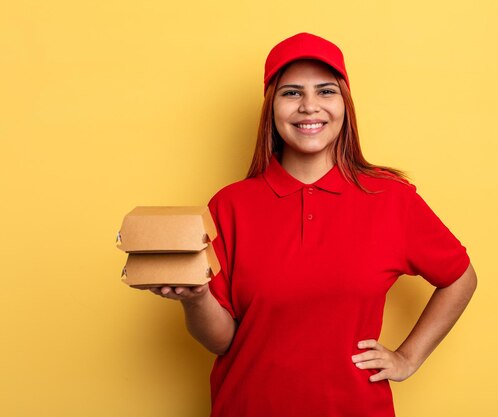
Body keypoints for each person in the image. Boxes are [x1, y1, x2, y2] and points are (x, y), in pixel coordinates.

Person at [150, 32, 477, 417]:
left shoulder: (391, 199)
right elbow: (222, 342)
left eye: (325, 91)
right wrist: (196, 298)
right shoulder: (229, 205)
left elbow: (460, 277)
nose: (309, 107)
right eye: (291, 93)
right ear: (271, 108)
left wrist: (407, 357)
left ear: (344, 104)